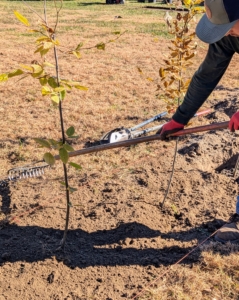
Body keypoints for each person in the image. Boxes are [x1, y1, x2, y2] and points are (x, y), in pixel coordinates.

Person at [158, 0, 239, 244]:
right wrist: (180, 118)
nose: (227, 33)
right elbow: (207, 75)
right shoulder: (228, 34)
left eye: (230, 27)